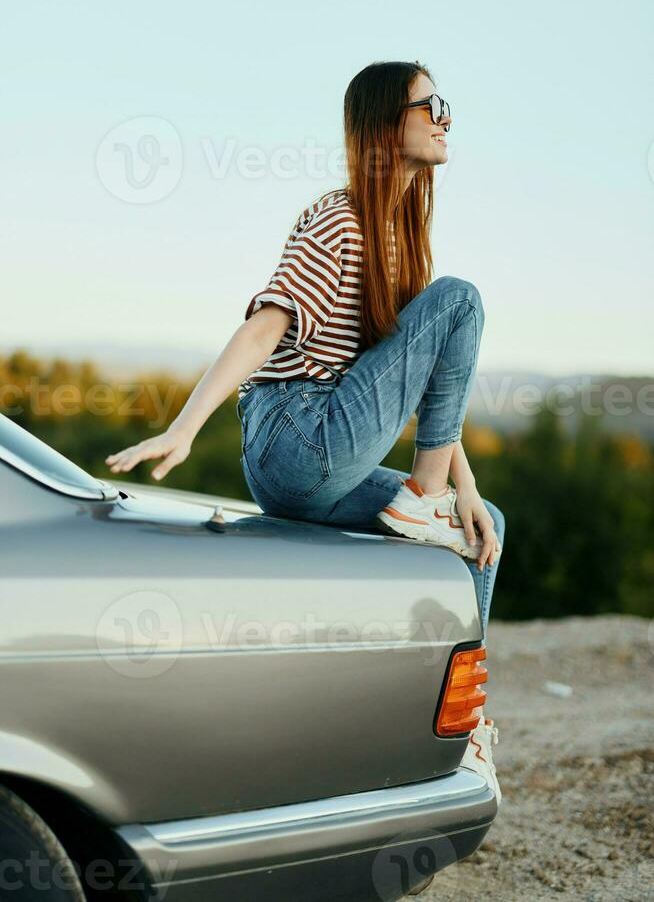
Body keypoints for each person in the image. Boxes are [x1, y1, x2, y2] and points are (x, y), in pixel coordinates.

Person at [104, 60, 505, 803]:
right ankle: (423, 500)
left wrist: (466, 490)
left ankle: (462, 724)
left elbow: (428, 393)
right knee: (463, 300)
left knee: (486, 531)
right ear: (390, 123)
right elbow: (265, 328)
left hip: (328, 461)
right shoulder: (340, 217)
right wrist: (184, 428)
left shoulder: (401, 240)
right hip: (298, 434)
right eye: (431, 105)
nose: (446, 118)